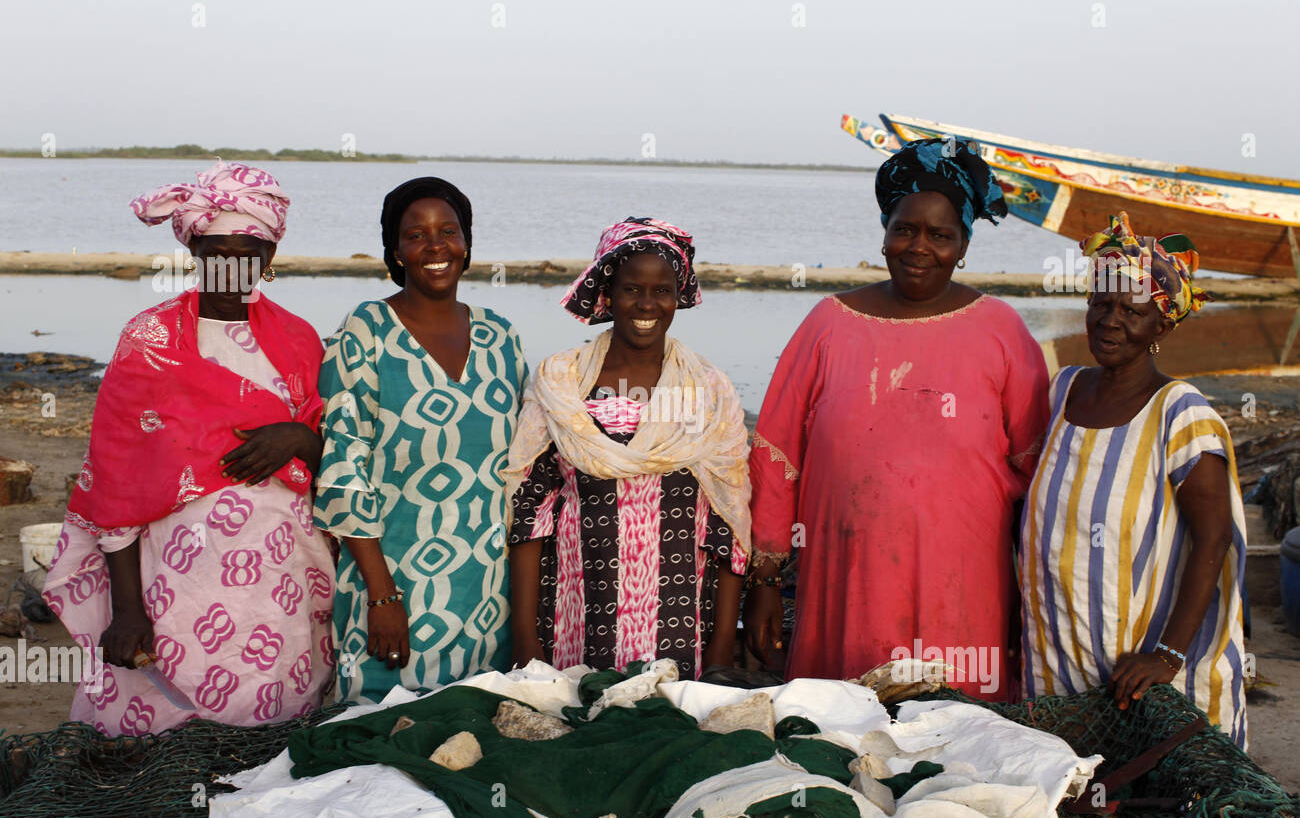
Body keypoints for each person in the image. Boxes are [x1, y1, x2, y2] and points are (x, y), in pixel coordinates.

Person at [744, 137, 1049, 700]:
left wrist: (1028, 599)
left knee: (955, 737)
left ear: (963, 246)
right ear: (885, 232)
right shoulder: (828, 324)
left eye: (940, 235)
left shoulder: (1002, 330)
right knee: (840, 733)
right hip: (845, 572)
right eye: (905, 229)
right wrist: (765, 578)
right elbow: (776, 454)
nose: (919, 247)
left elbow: (1038, 471)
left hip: (964, 578)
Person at [43, 161, 335, 735]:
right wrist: (128, 611)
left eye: (249, 249)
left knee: (271, 741)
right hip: (180, 580)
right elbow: (116, 476)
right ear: (195, 249)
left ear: (270, 258)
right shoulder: (150, 337)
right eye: (217, 248)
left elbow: (335, 459)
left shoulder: (299, 340)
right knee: (164, 734)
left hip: (285, 582)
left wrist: (301, 437)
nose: (232, 264)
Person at [1019, 212, 1247, 747]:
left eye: (1132, 310)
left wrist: (1166, 654)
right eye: (1101, 303)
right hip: (1058, 653)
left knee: (1151, 798)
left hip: (1144, 670)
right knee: (1071, 798)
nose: (1109, 320)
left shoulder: (1179, 413)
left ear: (1162, 325)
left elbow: (1214, 538)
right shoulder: (1063, 390)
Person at [505, 218, 750, 680]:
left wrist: (719, 654)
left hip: (679, 624)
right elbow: (529, 514)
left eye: (661, 291)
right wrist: (524, 636)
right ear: (606, 294)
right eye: (631, 289)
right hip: (574, 617)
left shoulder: (708, 390)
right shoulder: (563, 381)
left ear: (678, 296)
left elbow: (729, 526)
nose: (646, 304)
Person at [315, 177, 527, 703]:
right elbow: (344, 465)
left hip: (486, 595)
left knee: (473, 741)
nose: (435, 246)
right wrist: (382, 596)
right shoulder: (365, 331)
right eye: (416, 235)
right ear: (396, 250)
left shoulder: (501, 338)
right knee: (378, 743)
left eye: (448, 232)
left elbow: (525, 465)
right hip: (393, 587)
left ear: (467, 244)